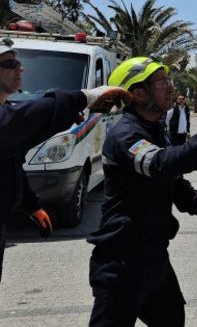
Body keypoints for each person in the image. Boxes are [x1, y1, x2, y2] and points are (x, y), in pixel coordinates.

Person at [87, 56, 197, 326]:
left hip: (154, 257)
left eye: (169, 81)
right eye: (162, 82)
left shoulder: (154, 128)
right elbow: (160, 164)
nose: (172, 88)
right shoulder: (125, 135)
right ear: (138, 94)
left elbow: (172, 179)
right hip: (122, 260)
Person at [0, 38, 132, 283]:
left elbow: (12, 161)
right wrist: (84, 96)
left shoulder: (8, 112)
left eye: (18, 62)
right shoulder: (8, 119)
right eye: (10, 63)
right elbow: (17, 122)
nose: (20, 68)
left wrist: (31, 205)